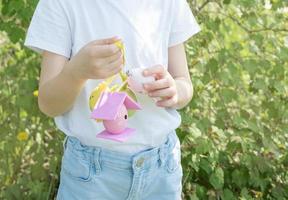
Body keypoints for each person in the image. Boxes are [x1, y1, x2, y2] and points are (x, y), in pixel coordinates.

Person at [24, 0, 201, 199]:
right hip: (91, 177)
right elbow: (49, 104)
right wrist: (76, 72)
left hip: (161, 171)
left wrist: (174, 90)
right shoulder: (61, 4)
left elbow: (184, 83)